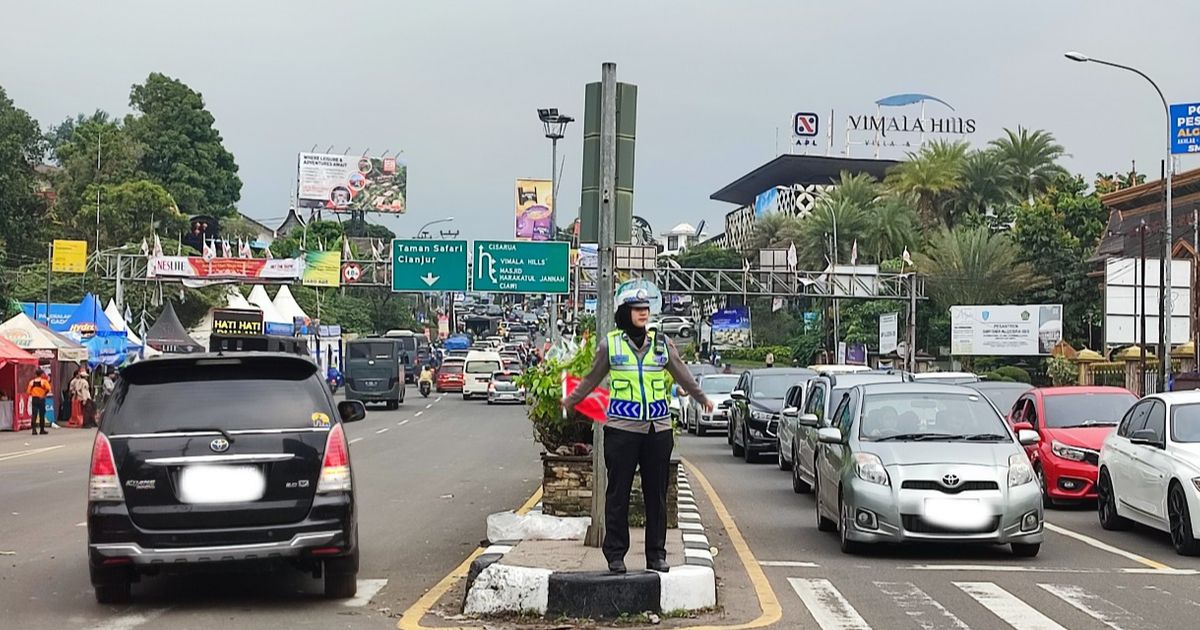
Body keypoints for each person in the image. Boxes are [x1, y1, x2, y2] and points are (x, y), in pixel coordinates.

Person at [563, 287, 714, 575]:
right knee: (618, 492)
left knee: (655, 494)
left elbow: (682, 373)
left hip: (658, 429)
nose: (643, 312)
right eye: (637, 308)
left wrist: (702, 398)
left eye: (646, 308)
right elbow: (591, 379)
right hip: (622, 429)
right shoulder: (612, 345)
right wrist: (571, 401)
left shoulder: (662, 343)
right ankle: (616, 554)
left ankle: (656, 555)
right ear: (625, 313)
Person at [26, 369, 51, 436]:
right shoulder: (44, 382)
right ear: (41, 374)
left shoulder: (31, 382)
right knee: (42, 414)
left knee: (34, 414)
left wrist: (33, 393)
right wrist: (44, 394)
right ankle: (42, 430)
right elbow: (48, 389)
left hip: (34, 398)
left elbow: (28, 391)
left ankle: (34, 430)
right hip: (41, 398)